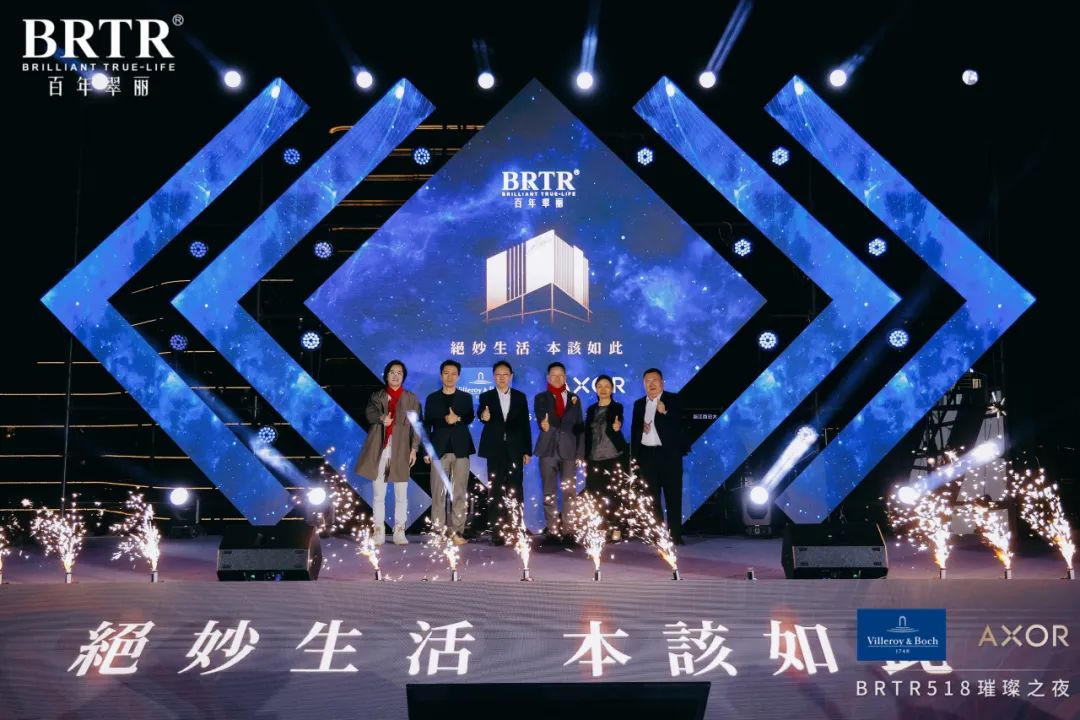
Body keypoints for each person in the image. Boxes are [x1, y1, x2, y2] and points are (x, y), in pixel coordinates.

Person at [355, 360, 420, 545]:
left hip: (402, 450)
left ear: (403, 376)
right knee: (378, 494)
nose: (395, 375)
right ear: (386, 375)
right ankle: (378, 531)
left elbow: (416, 426)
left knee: (401, 494)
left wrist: (414, 449)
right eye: (392, 372)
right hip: (380, 449)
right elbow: (369, 413)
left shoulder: (411, 398)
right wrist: (381, 417)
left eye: (399, 372)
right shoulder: (377, 396)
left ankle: (400, 531)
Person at [630, 367, 689, 545]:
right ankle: (657, 535)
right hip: (647, 456)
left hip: (669, 456)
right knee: (652, 498)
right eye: (647, 381)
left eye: (655, 380)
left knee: (673, 496)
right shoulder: (638, 404)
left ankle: (675, 535)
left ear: (662, 382)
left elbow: (682, 424)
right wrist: (634, 459)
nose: (651, 384)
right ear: (643, 384)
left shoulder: (673, 399)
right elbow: (634, 432)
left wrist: (665, 412)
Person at [477, 360, 532, 545]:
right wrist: (483, 416)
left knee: (516, 488)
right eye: (498, 375)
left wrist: (527, 450)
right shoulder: (486, 396)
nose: (501, 378)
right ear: (493, 377)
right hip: (495, 449)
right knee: (495, 489)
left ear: (511, 376)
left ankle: (515, 529)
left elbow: (525, 424)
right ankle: (497, 530)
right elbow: (481, 414)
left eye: (505, 374)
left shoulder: (520, 397)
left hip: (516, 449)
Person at [423, 359, 475, 545]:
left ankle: (457, 532)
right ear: (441, 375)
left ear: (458, 376)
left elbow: (469, 417)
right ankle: (438, 533)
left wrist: (457, 418)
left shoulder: (466, 397)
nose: (450, 377)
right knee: (438, 494)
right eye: (446, 373)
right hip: (438, 450)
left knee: (459, 493)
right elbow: (426, 425)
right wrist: (427, 451)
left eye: (454, 374)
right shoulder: (432, 398)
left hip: (461, 449)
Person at [533, 361, 584, 544]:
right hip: (548, 450)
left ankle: (569, 531)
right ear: (548, 378)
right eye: (553, 375)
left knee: (570, 492)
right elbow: (541, 416)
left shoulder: (574, 398)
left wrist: (580, 453)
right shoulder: (541, 398)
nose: (557, 378)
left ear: (565, 377)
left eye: (560, 375)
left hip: (569, 451)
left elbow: (580, 427)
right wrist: (543, 424)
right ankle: (553, 531)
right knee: (549, 492)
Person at [584, 375, 628, 541]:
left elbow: (618, 420)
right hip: (593, 457)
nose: (603, 389)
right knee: (596, 495)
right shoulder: (591, 409)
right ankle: (602, 527)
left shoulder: (617, 407)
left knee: (614, 494)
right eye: (600, 386)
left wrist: (618, 425)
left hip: (613, 456)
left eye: (607, 386)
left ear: (612, 389)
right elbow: (587, 433)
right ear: (596, 389)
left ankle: (617, 527)